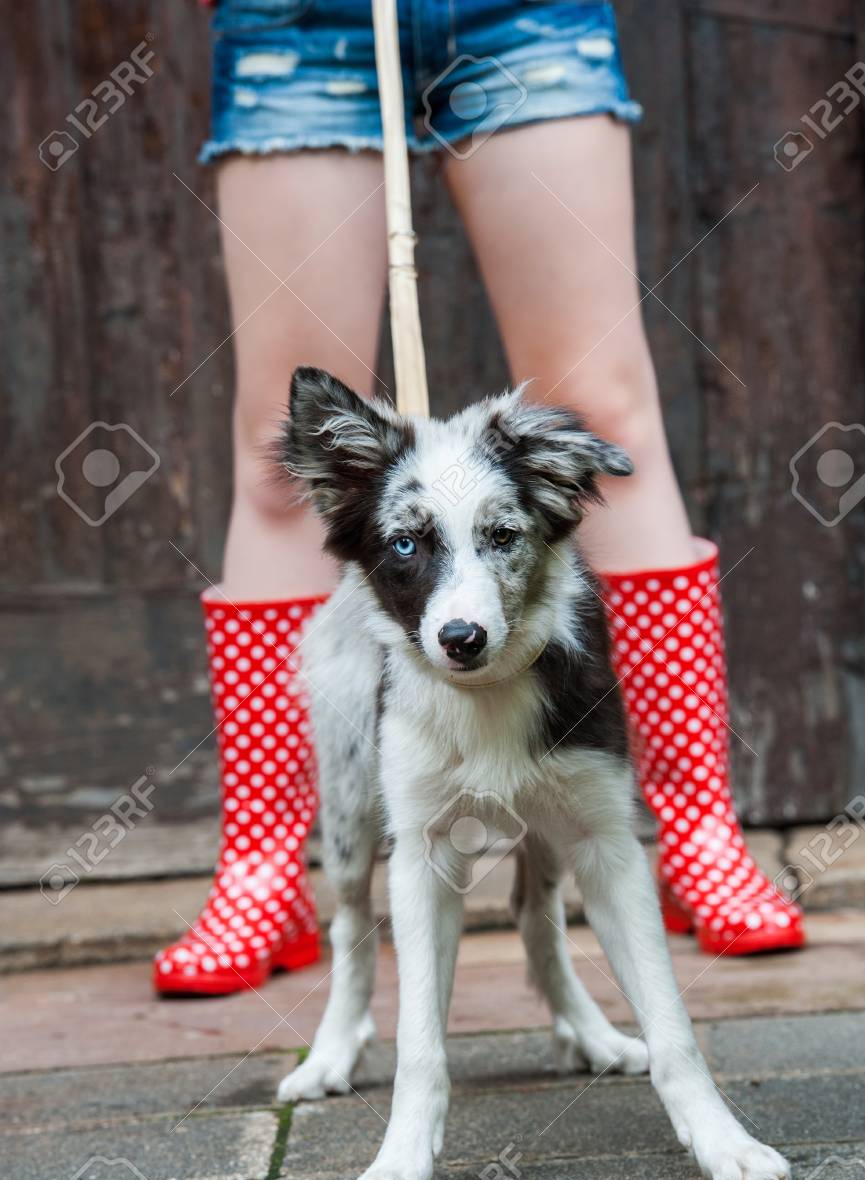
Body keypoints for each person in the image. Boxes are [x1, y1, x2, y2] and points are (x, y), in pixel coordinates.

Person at [154, 0, 803, 995]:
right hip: (295, 18)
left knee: (600, 416)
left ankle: (694, 829)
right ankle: (265, 864)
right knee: (281, 458)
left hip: (522, 15)